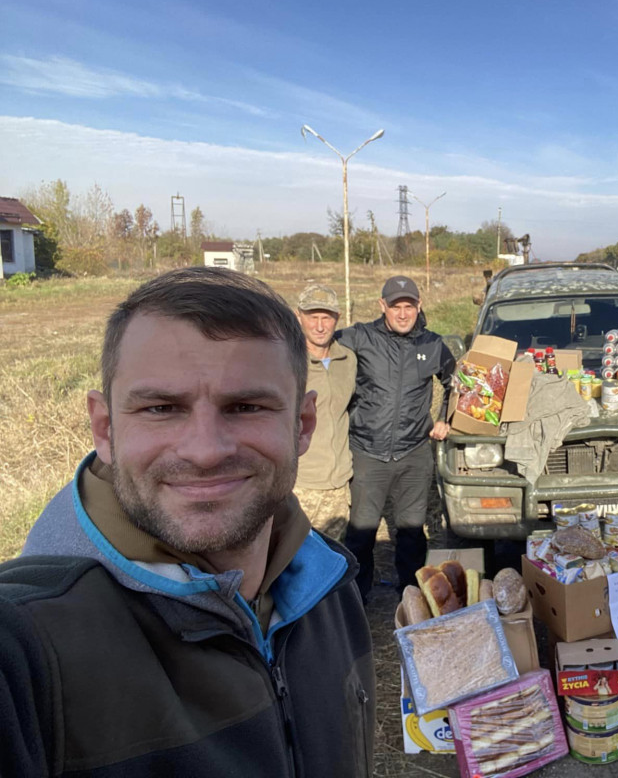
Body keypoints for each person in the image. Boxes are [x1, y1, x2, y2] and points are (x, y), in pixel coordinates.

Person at [0, 267, 375, 776]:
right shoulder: (27, 645)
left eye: (245, 406)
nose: (204, 451)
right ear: (105, 428)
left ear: (302, 424)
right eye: (161, 408)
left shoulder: (328, 584)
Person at [337, 275, 455, 603]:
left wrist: (446, 417)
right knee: (361, 532)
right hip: (367, 452)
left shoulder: (433, 344)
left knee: (412, 532)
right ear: (382, 307)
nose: (403, 314)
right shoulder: (359, 338)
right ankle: (357, 598)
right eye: (395, 307)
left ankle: (412, 596)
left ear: (419, 306)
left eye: (409, 306)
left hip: (414, 453)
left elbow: (455, 382)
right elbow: (317, 349)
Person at [293, 284, 357, 540]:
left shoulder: (348, 360)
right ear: (299, 317)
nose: (320, 326)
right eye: (313, 317)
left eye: (326, 317)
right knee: (293, 564)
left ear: (337, 319)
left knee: (331, 561)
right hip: (301, 485)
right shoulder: (287, 362)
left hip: (339, 486)